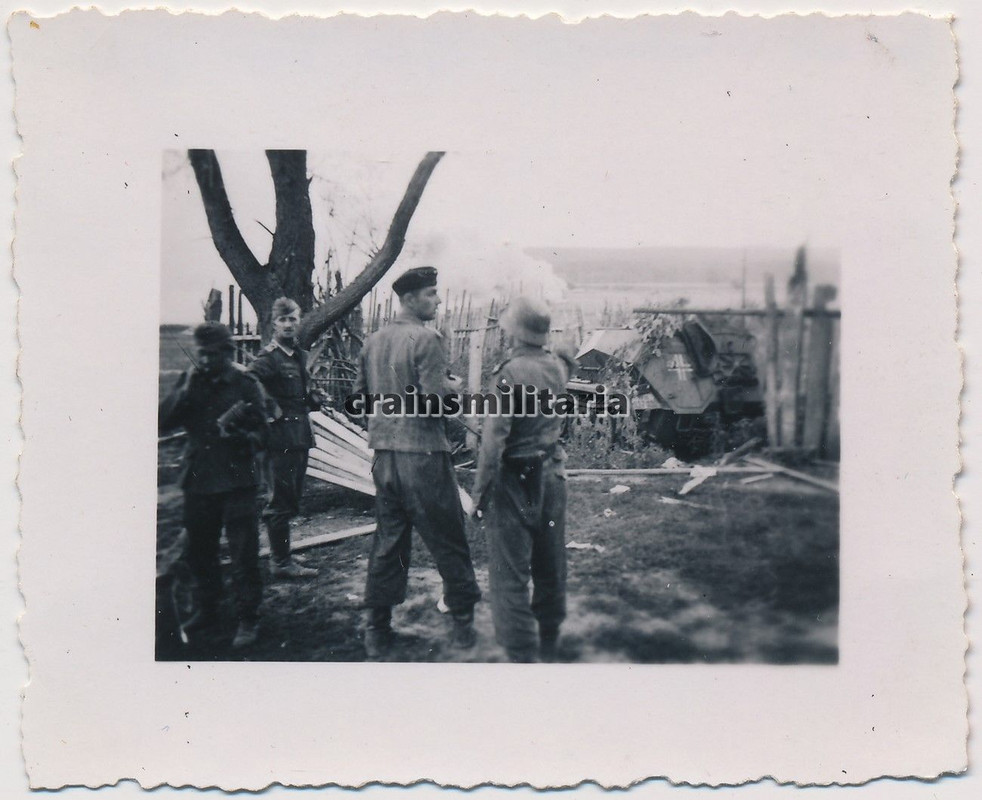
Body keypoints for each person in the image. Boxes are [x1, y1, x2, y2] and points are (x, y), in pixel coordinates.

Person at [352, 266, 481, 658]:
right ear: (409, 299)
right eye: (431, 293)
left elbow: (359, 399)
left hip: (384, 459)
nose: (438, 300)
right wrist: (453, 391)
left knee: (388, 542)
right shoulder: (426, 339)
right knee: (448, 537)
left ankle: (377, 630)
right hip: (423, 456)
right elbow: (434, 404)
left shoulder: (373, 341)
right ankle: (462, 624)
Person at [471, 296, 570, 663]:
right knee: (550, 563)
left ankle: (521, 655)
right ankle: (549, 640)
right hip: (552, 475)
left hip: (516, 480)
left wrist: (480, 494)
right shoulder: (557, 367)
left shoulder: (509, 373)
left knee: (509, 572)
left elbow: (493, 441)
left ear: (515, 332)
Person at [158, 322, 268, 649]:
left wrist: (243, 437)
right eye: (202, 354)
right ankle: (208, 609)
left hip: (237, 480)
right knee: (199, 552)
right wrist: (184, 390)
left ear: (227, 353)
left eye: (213, 354)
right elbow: (162, 422)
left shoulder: (245, 383)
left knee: (243, 554)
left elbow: (265, 433)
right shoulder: (192, 381)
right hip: (199, 480)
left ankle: (248, 617)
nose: (206, 360)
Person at [248, 297, 324, 579]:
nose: (289, 324)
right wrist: (270, 408)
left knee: (291, 497)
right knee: (280, 500)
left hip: (299, 435)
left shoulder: (298, 355)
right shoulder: (269, 357)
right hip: (279, 438)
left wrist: (313, 397)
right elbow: (249, 380)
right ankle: (280, 562)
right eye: (283, 319)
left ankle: (283, 552)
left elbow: (298, 393)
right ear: (273, 324)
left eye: (293, 318)